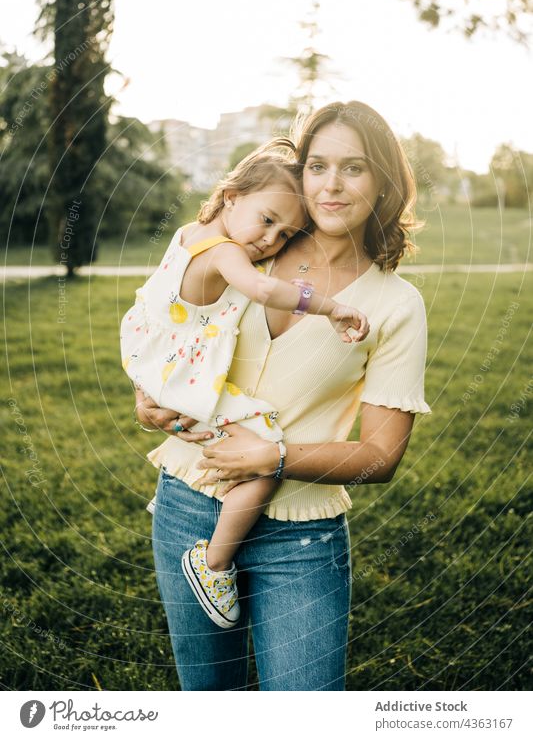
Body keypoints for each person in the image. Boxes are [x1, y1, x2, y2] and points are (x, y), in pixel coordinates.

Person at [134, 101, 431, 691]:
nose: (332, 184)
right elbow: (174, 327)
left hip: (300, 534)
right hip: (188, 503)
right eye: (318, 165)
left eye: (354, 167)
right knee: (208, 700)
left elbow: (382, 453)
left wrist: (273, 457)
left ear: (385, 182)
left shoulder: (397, 305)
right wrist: (149, 393)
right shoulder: (249, 252)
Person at [120, 148, 369, 629]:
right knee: (268, 452)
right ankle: (214, 563)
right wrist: (328, 305)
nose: (271, 240)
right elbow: (262, 290)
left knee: (257, 447)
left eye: (286, 234)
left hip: (152, 355)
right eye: (267, 219)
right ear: (231, 197)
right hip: (184, 374)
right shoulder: (227, 252)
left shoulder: (189, 234)